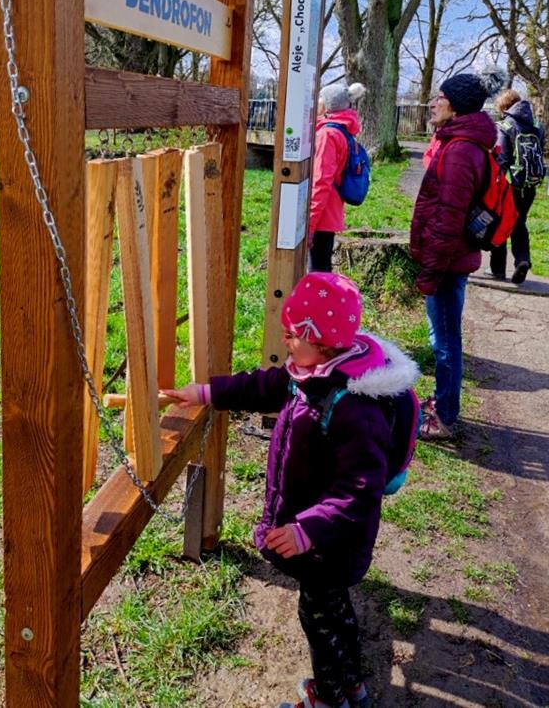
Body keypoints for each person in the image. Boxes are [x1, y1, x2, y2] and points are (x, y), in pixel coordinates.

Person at [163, 272, 418, 708]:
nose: (285, 342)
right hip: (320, 536)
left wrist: (307, 530)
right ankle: (350, 683)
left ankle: (329, 698)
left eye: (293, 335)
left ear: (325, 342)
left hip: (330, 544)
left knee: (319, 617)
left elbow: (360, 490)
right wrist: (206, 392)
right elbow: (264, 386)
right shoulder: (311, 372)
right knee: (334, 612)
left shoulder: (355, 409)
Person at [410, 72, 500, 440]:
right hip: (449, 260)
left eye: (439, 97)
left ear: (456, 105)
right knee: (443, 336)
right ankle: (443, 402)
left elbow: (449, 218)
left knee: (445, 342)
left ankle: (445, 418)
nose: (432, 103)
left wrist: (431, 270)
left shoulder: (462, 150)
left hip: (448, 262)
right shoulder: (458, 142)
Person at [485, 89, 545, 284]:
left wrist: (494, 182)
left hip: (510, 185)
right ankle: (523, 259)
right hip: (530, 184)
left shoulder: (505, 126)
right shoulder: (537, 126)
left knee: (501, 222)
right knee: (519, 223)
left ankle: (497, 269)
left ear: (503, 107)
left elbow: (502, 159)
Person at [308, 83, 367, 272]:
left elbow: (321, 181)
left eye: (320, 99)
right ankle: (324, 300)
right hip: (331, 210)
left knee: (318, 272)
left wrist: (310, 223)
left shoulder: (327, 134)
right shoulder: (343, 131)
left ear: (327, 105)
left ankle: (322, 301)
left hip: (321, 215)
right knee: (322, 267)